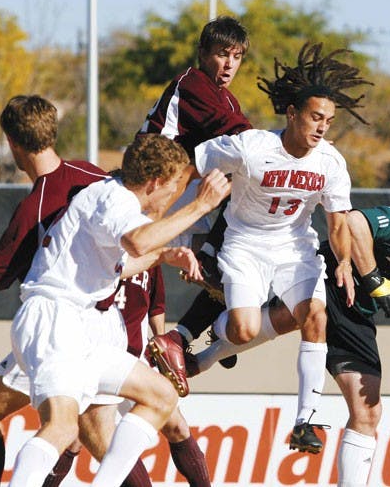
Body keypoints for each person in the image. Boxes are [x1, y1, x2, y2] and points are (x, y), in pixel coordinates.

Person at [187, 175, 390, 486]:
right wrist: (373, 279)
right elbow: (354, 222)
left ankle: (215, 342)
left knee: (369, 413)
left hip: (358, 313)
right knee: (285, 318)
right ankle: (208, 352)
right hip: (328, 275)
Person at [150, 42, 375, 455]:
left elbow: (338, 220)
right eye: (315, 116)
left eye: (328, 119)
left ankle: (305, 420)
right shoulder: (250, 146)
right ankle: (211, 349)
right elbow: (192, 165)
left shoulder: (330, 162)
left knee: (314, 316)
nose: (323, 126)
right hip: (244, 246)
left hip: (295, 248)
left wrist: (343, 260)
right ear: (292, 114)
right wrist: (162, 209)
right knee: (244, 330)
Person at [0, 97, 210, 486]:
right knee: (67, 428)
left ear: (13, 142)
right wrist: (195, 213)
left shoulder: (82, 195)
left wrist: (163, 255)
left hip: (79, 322)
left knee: (146, 403)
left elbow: (126, 258)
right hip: (64, 319)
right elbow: (133, 242)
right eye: (172, 187)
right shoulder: (101, 184)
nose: (173, 197)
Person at [0, 94, 109, 486]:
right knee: (79, 433)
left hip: (61, 328)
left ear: (14, 144)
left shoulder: (34, 206)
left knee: (86, 434)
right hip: (109, 319)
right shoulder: (94, 175)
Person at [137, 14, 252, 369]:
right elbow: (239, 134)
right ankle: (212, 274)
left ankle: (194, 332)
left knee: (235, 261)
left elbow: (240, 140)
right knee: (251, 196)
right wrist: (283, 145)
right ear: (203, 53)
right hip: (151, 189)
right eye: (222, 54)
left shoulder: (225, 97)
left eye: (236, 56)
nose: (229, 63)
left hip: (181, 192)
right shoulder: (194, 85)